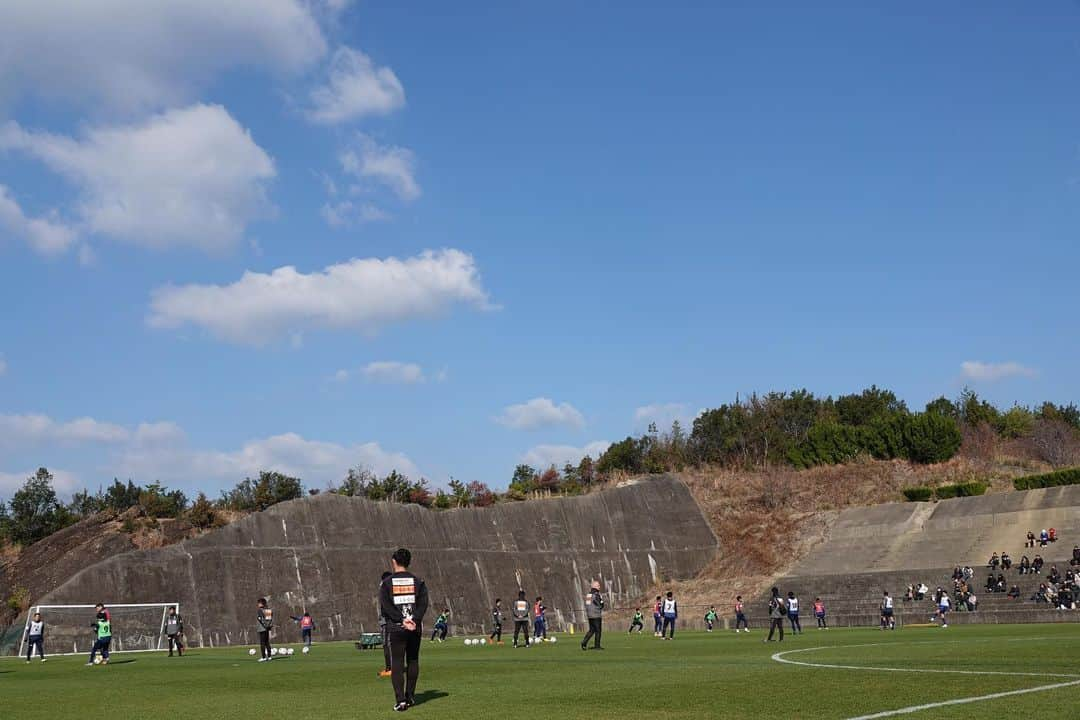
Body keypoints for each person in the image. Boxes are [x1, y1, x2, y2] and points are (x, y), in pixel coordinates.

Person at [379, 547, 429, 712]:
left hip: (396, 627)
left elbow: (386, 607)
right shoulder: (418, 582)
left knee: (398, 663)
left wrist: (401, 619)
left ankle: (400, 700)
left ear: (394, 561)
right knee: (413, 660)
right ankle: (410, 696)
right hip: (414, 628)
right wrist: (414, 619)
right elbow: (423, 604)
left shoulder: (386, 584)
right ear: (409, 562)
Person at [581, 580, 605, 650]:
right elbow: (600, 605)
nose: (599, 587)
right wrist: (601, 603)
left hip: (590, 615)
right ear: (594, 586)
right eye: (598, 585)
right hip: (596, 615)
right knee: (598, 631)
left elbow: (587, 605)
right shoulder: (596, 594)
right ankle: (597, 646)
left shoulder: (589, 594)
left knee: (591, 630)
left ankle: (584, 642)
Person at [379, 571, 393, 678]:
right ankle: (389, 667)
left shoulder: (387, 589)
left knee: (388, 644)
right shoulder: (386, 589)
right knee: (386, 644)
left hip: (388, 621)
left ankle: (391, 668)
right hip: (386, 621)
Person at [256, 597, 274, 662]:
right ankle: (269, 656)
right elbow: (269, 620)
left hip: (262, 628)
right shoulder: (268, 610)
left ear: (262, 604)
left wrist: (265, 626)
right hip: (267, 628)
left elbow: (260, 619)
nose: (258, 604)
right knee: (267, 642)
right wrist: (268, 626)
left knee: (262, 643)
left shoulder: (259, 610)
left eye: (259, 603)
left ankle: (263, 657)